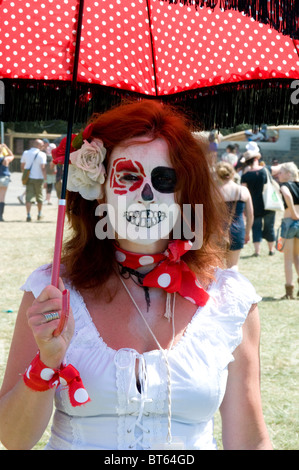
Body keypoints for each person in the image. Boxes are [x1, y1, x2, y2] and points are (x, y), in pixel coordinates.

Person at [0, 101, 272, 451]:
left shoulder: (230, 299)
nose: (147, 195)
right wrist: (47, 363)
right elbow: (13, 437)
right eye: (129, 176)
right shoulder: (51, 292)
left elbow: (249, 440)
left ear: (185, 193)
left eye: (164, 179)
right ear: (99, 189)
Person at [216, 161, 254, 269]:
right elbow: (250, 215)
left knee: (217, 267)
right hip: (237, 230)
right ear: (233, 174)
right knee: (233, 267)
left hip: (218, 231)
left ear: (218, 175)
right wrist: (247, 233)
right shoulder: (243, 190)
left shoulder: (213, 192)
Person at [241, 143, 276, 257]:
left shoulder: (245, 176)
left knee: (256, 227)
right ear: (256, 158)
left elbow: (244, 192)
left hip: (254, 205)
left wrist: (244, 209)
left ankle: (257, 251)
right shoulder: (265, 171)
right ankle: (271, 250)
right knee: (269, 227)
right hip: (268, 203)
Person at [276, 162, 299, 299]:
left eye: (282, 172)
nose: (279, 175)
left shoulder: (285, 186)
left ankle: (289, 291)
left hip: (289, 222)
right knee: (297, 256)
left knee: (288, 258)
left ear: (288, 174)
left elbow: (286, 194)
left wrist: (293, 212)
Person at [20, 139, 47, 221]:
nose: (43, 146)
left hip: (29, 178)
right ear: (38, 145)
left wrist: (25, 174)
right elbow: (43, 168)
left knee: (28, 197)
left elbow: (22, 166)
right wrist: (45, 180)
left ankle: (28, 215)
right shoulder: (42, 154)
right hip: (39, 178)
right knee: (39, 197)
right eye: (42, 145)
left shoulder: (26, 153)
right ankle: (39, 214)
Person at [0, 143, 14, 222]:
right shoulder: (6, 159)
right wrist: (6, 148)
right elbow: (12, 155)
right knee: (2, 198)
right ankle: (0, 216)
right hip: (4, 178)